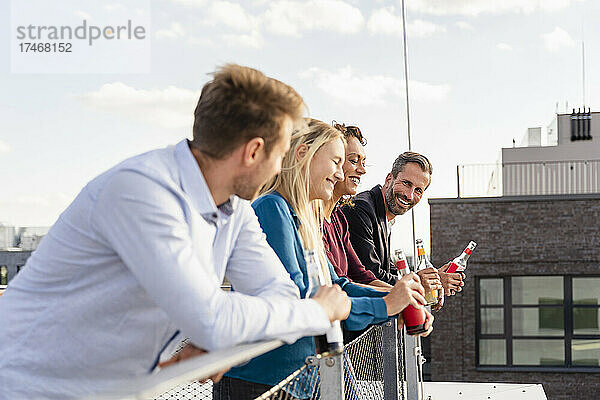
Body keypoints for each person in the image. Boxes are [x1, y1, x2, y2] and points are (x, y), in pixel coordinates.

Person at [0, 65, 351, 400]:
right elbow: (213, 319)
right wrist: (319, 312)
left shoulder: (235, 208)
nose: (279, 166)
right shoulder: (141, 191)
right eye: (281, 154)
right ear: (254, 151)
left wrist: (229, 340)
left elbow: (280, 295)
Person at [215, 119, 434, 400]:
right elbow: (305, 300)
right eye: (335, 161)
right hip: (260, 383)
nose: (339, 172)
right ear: (304, 154)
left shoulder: (303, 216)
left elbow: (336, 284)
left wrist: (399, 300)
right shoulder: (272, 208)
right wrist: (385, 305)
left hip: (298, 379)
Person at [342, 152, 465, 304]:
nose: (409, 195)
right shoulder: (361, 209)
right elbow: (371, 277)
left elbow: (390, 272)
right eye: (406, 183)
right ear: (389, 179)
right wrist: (421, 284)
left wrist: (432, 280)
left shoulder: (382, 215)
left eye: (418, 190)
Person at [322, 123, 392, 290]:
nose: (362, 170)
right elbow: (340, 282)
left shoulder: (338, 218)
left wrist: (406, 296)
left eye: (363, 162)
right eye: (354, 161)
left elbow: (361, 275)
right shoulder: (313, 219)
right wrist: (394, 299)